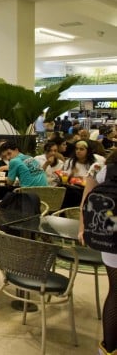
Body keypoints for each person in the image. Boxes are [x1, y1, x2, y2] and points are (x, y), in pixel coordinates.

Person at [79, 151, 117, 355]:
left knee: (115, 291)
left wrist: (83, 229)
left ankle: (108, 349)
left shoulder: (103, 170)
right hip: (111, 234)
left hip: (110, 236)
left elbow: (86, 204)